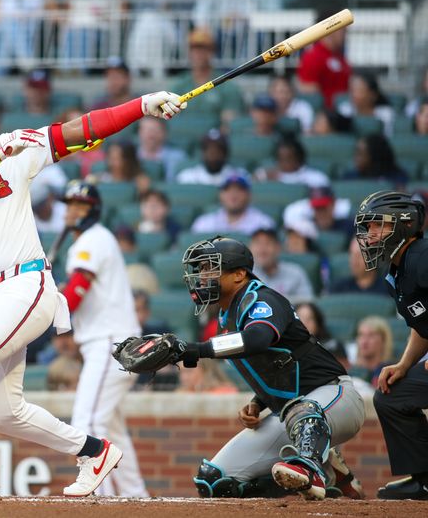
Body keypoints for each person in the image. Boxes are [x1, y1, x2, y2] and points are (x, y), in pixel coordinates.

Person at [0, 87, 186, 497]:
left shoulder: (15, 152)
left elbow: (79, 130)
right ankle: (94, 452)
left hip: (25, 283)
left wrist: (142, 105)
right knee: (1, 413)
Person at [146, 236, 364, 500]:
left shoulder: (262, 298)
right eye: (201, 269)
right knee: (214, 482)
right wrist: (258, 402)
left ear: (239, 274)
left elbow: (258, 339)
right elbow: (278, 364)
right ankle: (332, 477)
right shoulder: (227, 316)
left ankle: (313, 466)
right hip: (291, 413)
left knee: (303, 411)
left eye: (211, 268)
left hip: (336, 396)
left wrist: (195, 349)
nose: (203, 276)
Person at [59, 181, 149, 497]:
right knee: (111, 430)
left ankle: (103, 500)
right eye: (69, 204)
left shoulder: (94, 238)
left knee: (88, 423)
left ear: (92, 210)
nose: (71, 211)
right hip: (111, 342)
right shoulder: (92, 239)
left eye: (79, 205)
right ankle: (136, 498)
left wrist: (50, 317)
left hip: (110, 343)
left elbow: (77, 289)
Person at [353, 191, 428, 499]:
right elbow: (422, 326)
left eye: (377, 226)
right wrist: (404, 364)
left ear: (404, 225)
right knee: (391, 396)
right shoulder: (396, 271)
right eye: (367, 227)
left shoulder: (423, 255)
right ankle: (425, 481)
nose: (369, 235)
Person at [169, 28, 244, 125]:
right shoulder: (179, 84)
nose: (199, 54)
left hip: (213, 138)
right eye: (194, 49)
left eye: (204, 49)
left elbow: (229, 123)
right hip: (181, 138)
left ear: (212, 52)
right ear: (189, 52)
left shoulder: (225, 84)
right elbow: (170, 120)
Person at [297, 12, 351, 109]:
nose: (345, 32)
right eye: (342, 28)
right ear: (330, 29)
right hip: (327, 116)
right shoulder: (313, 57)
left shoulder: (339, 56)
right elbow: (311, 95)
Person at [191, 174, 274, 235]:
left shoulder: (263, 223)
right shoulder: (204, 223)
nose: (233, 194)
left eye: (239, 190)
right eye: (228, 190)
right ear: (220, 195)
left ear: (249, 195)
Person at [249, 229, 314, 302]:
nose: (262, 250)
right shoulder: (245, 274)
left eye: (267, 243)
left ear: (278, 248)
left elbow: (307, 302)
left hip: (290, 312)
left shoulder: (295, 272)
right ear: (250, 248)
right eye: (258, 243)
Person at [253, 137, 330, 188]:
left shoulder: (316, 178)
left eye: (288, 158)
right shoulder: (267, 174)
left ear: (299, 158)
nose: (283, 163)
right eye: (280, 159)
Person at [176, 129, 242, 186]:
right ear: (203, 153)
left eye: (218, 150)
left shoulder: (238, 176)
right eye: (209, 150)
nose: (213, 154)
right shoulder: (187, 177)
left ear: (225, 154)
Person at [337, 72, 395, 137]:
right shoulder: (345, 110)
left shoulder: (386, 114)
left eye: (359, 91)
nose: (354, 95)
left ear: (373, 95)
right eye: (352, 90)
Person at [283, 186, 354, 237]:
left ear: (333, 204)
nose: (320, 213)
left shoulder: (349, 227)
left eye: (323, 208)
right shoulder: (306, 228)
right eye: (317, 208)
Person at [342, 133, 407, 186]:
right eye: (355, 152)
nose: (355, 158)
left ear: (374, 156)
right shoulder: (349, 178)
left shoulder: (397, 179)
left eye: (360, 154)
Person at [348, 316, 393, 390]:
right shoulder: (351, 371)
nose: (364, 341)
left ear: (383, 340)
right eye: (361, 335)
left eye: (371, 335)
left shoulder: (390, 372)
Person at [136, 116, 186, 181]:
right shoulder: (131, 156)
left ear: (164, 133)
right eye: (146, 129)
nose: (150, 134)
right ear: (139, 132)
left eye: (154, 130)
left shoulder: (178, 157)